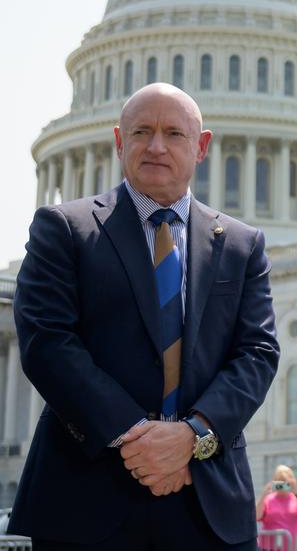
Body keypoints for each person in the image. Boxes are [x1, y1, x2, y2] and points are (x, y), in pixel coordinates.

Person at [9, 83, 280, 550]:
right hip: (88, 497)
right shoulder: (64, 228)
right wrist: (140, 439)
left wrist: (192, 437)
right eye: (142, 132)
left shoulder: (241, 244)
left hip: (207, 500)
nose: (156, 146)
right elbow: (47, 342)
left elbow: (257, 353)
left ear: (201, 146)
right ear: (119, 141)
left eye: (174, 133)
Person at [256, 465, 297, 551]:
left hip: (295, 548)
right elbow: (256, 516)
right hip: (269, 548)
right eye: (279, 483)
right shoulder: (268, 499)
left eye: (286, 483)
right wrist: (263, 495)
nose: (283, 486)